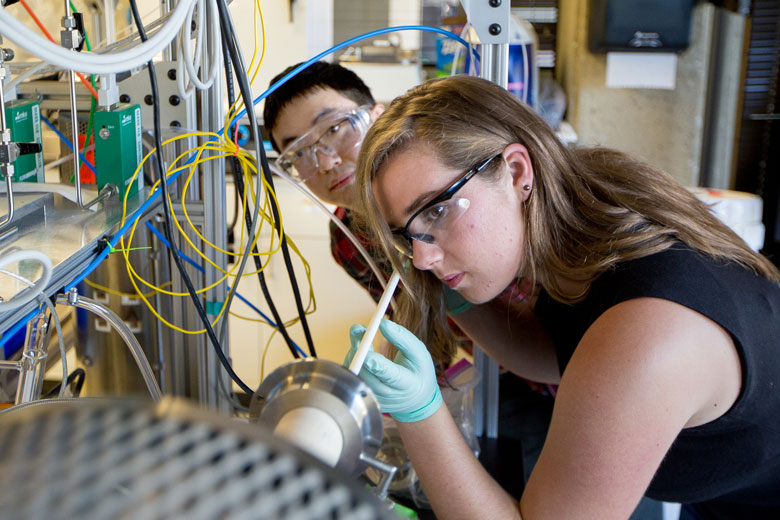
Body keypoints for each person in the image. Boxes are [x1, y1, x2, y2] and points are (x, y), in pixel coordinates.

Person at [349, 74, 780, 519]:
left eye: (435, 211)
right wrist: (456, 296)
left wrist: (420, 414)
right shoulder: (587, 222)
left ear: (517, 172)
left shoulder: (649, 333)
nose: (420, 259)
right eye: (409, 236)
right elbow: (555, 357)